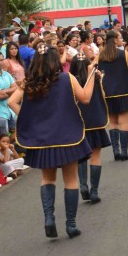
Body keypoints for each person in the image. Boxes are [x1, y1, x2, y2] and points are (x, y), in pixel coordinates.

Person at [8, 46, 98, 239]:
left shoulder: (29, 82)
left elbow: (11, 103)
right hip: (67, 137)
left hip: (42, 139)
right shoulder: (67, 78)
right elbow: (86, 98)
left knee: (48, 179)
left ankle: (49, 218)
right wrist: (91, 75)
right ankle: (71, 224)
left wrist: (29, 121)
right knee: (71, 180)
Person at [70, 54, 110, 203]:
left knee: (81, 156)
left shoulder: (71, 82)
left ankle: (83, 186)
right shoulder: (96, 78)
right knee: (95, 156)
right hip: (96, 121)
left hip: (78, 123)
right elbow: (103, 96)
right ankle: (94, 191)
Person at [98, 30, 128, 161]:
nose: (121, 40)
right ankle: (124, 151)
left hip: (107, 92)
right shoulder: (123, 54)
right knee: (124, 122)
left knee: (112, 122)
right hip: (124, 90)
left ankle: (115, 151)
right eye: (120, 38)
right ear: (116, 40)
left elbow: (95, 68)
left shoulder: (101, 55)